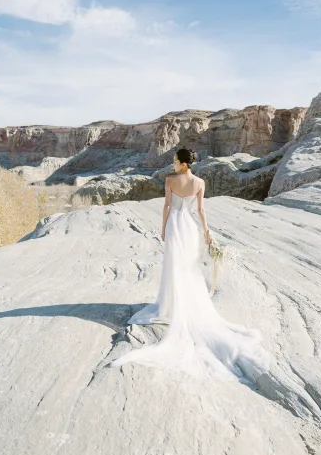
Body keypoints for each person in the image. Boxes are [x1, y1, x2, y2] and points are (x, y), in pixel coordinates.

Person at [109, 148, 270, 383]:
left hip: (175, 223)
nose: (172, 164)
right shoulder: (200, 182)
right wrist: (206, 231)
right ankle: (184, 303)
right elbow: (201, 210)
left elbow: (166, 206)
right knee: (187, 267)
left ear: (184, 164)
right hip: (189, 227)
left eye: (175, 161)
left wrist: (163, 228)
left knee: (174, 265)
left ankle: (170, 305)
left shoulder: (171, 180)